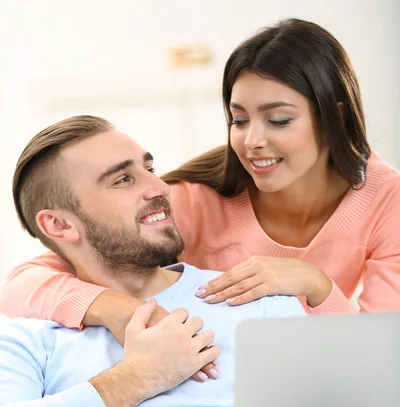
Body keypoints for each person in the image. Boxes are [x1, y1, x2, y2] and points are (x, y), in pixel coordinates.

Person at [1, 115, 400, 407]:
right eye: (124, 179)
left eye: (150, 167)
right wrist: (135, 379)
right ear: (59, 224)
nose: (157, 187)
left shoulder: (254, 296)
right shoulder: (32, 335)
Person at [0, 18, 399, 353]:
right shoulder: (194, 200)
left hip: (294, 373)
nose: (251, 141)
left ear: (335, 115)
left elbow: (377, 358)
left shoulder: (388, 201)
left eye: (278, 120)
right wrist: (116, 309)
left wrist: (316, 285)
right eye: (239, 120)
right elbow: (21, 286)